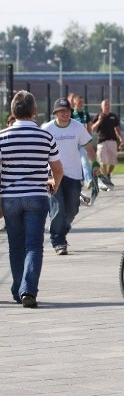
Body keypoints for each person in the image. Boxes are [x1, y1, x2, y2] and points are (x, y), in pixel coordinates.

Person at [0, 90, 63, 307]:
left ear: (12, 112)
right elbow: (57, 168)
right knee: (34, 245)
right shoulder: (46, 136)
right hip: (36, 196)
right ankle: (28, 290)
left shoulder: (2, 137)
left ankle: (19, 291)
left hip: (10, 198)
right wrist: (55, 183)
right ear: (35, 112)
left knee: (15, 246)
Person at [42, 98, 100, 256]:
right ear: (55, 113)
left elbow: (88, 148)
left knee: (73, 209)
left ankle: (60, 231)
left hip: (74, 175)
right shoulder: (47, 129)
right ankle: (58, 241)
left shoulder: (78, 127)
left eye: (67, 111)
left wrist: (95, 164)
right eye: (61, 111)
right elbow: (40, 152)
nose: (65, 114)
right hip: (53, 175)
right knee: (58, 209)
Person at [91, 99, 124, 180]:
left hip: (112, 141)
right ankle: (105, 178)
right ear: (101, 107)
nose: (107, 106)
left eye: (108, 105)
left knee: (113, 162)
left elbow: (117, 129)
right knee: (103, 161)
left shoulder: (114, 116)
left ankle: (108, 174)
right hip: (102, 142)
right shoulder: (98, 116)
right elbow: (93, 129)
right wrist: (99, 121)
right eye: (105, 105)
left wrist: (121, 139)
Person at [71, 94, 93, 188]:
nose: (81, 104)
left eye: (82, 102)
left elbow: (89, 127)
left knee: (85, 162)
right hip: (72, 142)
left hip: (82, 142)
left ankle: (89, 180)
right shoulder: (71, 113)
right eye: (79, 102)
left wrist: (88, 138)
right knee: (75, 163)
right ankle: (78, 180)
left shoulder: (85, 113)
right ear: (74, 102)